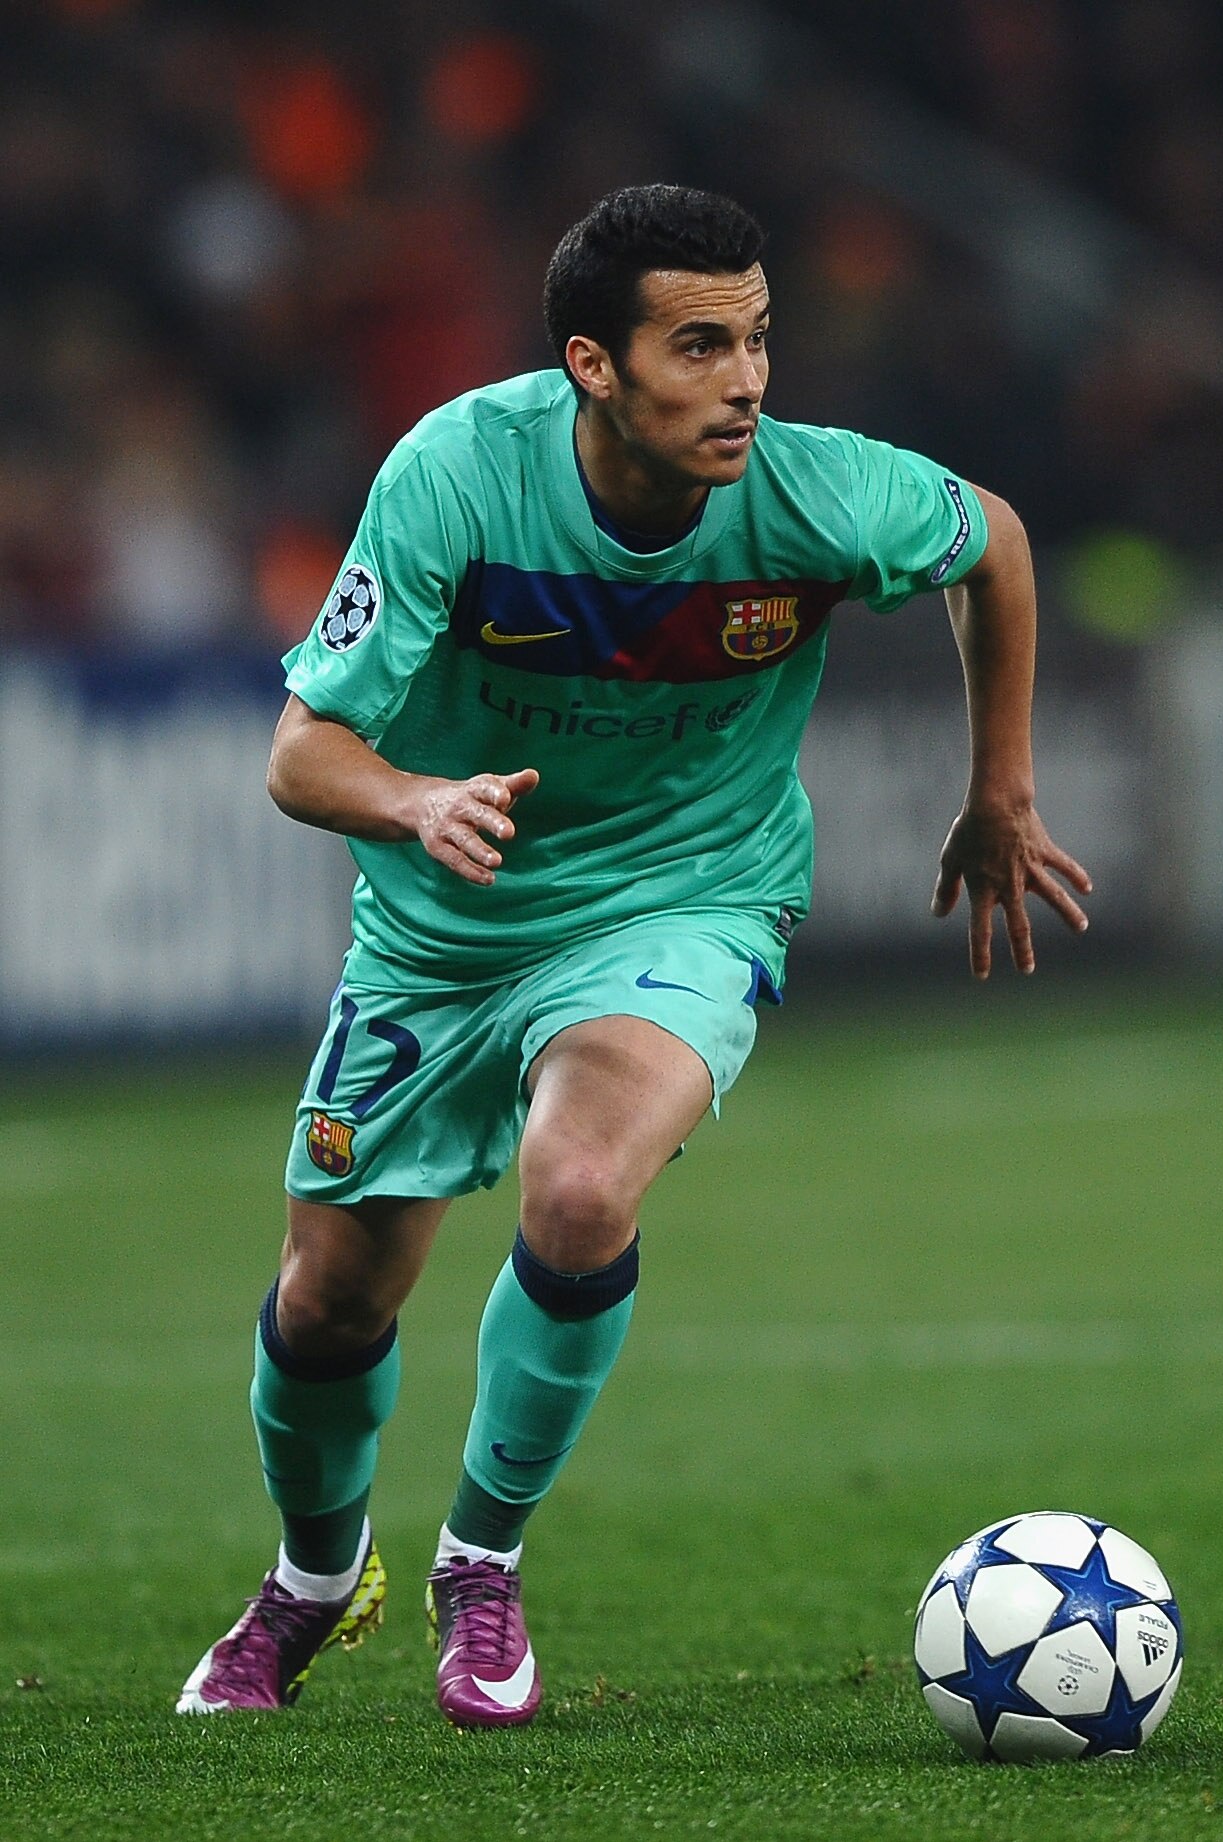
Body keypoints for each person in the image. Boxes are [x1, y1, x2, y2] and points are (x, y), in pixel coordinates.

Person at [176, 184, 1090, 1727]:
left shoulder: (811, 494)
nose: (744, 380)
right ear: (593, 364)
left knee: (583, 1184)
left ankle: (481, 1561)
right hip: (440, 929)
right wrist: (414, 796)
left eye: (756, 340)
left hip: (686, 896)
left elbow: (989, 540)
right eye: (697, 345)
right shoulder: (458, 474)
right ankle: (312, 1582)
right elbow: (299, 748)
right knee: (331, 1299)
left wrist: (997, 788)